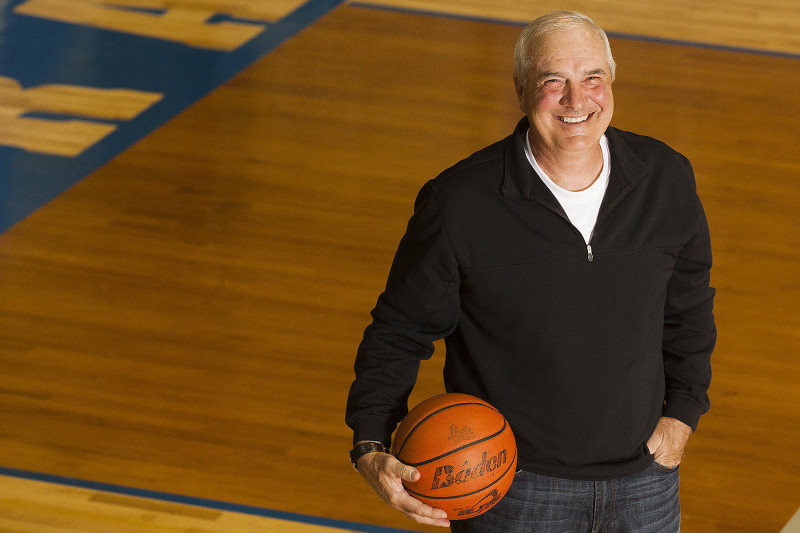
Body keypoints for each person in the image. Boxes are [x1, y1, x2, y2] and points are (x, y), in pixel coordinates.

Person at [345, 10, 716, 532]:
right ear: (520, 89)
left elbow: (689, 305)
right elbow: (400, 330)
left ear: (612, 82)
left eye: (593, 78)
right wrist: (370, 441)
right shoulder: (458, 204)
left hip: (645, 482)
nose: (576, 99)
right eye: (552, 81)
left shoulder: (666, 178)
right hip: (512, 490)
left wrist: (682, 414)